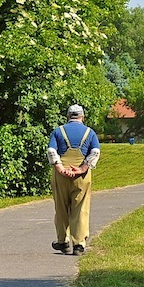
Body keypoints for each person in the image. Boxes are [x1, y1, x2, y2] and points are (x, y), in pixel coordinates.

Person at [47, 104, 100, 255]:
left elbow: (51, 150)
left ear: (68, 116)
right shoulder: (90, 132)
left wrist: (60, 168)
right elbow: (95, 151)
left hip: (61, 176)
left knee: (61, 208)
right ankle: (79, 244)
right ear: (82, 117)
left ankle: (63, 241)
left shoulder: (58, 131)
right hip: (81, 177)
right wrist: (82, 168)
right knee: (81, 209)